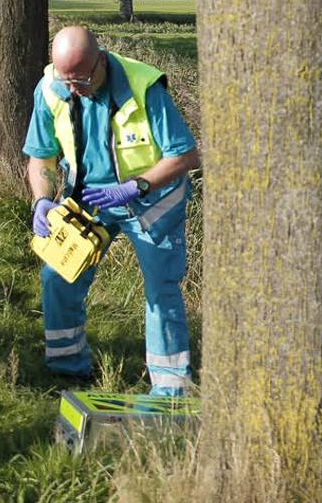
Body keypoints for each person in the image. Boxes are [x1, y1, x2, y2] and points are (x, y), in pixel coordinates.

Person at [25, 26, 200, 396]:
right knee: (57, 275)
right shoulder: (51, 88)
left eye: (82, 80)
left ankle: (170, 390)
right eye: (66, 79)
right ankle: (67, 368)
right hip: (87, 200)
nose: (74, 89)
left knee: (160, 290)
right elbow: (41, 156)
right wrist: (42, 198)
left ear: (100, 61)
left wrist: (136, 185)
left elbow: (184, 155)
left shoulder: (144, 85)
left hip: (151, 200)